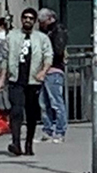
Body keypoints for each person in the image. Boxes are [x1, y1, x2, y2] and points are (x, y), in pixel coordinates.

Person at [6, 9, 54, 156]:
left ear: (34, 21)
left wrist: (43, 72)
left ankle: (28, 143)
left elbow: (48, 56)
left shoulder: (41, 38)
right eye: (25, 17)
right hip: (16, 79)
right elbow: (4, 57)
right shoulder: (12, 36)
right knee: (16, 111)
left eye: (31, 18)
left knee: (31, 113)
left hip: (33, 81)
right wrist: (2, 79)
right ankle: (16, 143)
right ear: (21, 19)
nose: (27, 20)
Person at [38, 8, 68, 144]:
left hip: (54, 69)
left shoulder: (58, 31)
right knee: (44, 102)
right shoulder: (44, 32)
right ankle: (48, 130)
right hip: (43, 70)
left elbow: (58, 50)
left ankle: (60, 131)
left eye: (42, 21)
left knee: (56, 102)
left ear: (50, 19)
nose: (41, 24)